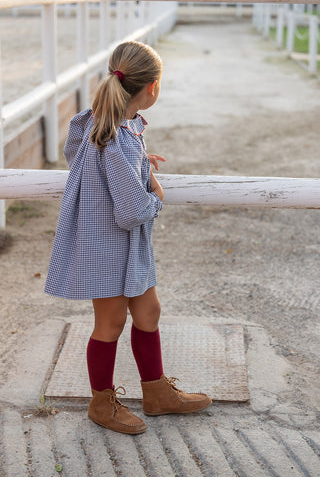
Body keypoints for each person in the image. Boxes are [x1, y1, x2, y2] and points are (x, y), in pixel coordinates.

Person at [45, 41, 211, 435]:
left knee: (149, 311)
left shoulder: (102, 124)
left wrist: (138, 163)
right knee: (111, 322)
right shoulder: (115, 136)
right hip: (106, 244)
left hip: (127, 246)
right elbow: (133, 210)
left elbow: (79, 156)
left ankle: (156, 393)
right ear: (152, 88)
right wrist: (156, 194)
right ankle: (101, 403)